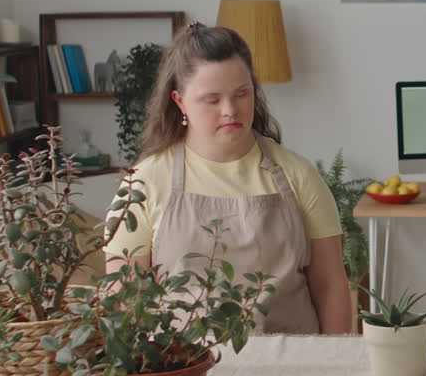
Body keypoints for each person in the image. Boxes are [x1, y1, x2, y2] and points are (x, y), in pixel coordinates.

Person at [104, 22, 351, 334]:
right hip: (182, 369)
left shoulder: (298, 175)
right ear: (180, 102)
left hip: (292, 365)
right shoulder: (143, 182)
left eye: (241, 94)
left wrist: (337, 365)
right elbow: (124, 300)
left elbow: (330, 285)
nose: (230, 110)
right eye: (212, 99)